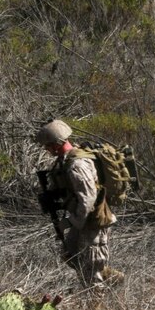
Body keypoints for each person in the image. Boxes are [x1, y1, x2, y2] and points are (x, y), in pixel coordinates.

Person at [34, 119, 122, 292]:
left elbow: (88, 199)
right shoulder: (65, 161)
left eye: (47, 146)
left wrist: (71, 222)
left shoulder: (77, 165)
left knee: (90, 269)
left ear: (55, 145)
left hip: (93, 222)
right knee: (71, 255)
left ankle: (96, 307)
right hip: (83, 220)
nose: (46, 149)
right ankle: (111, 278)